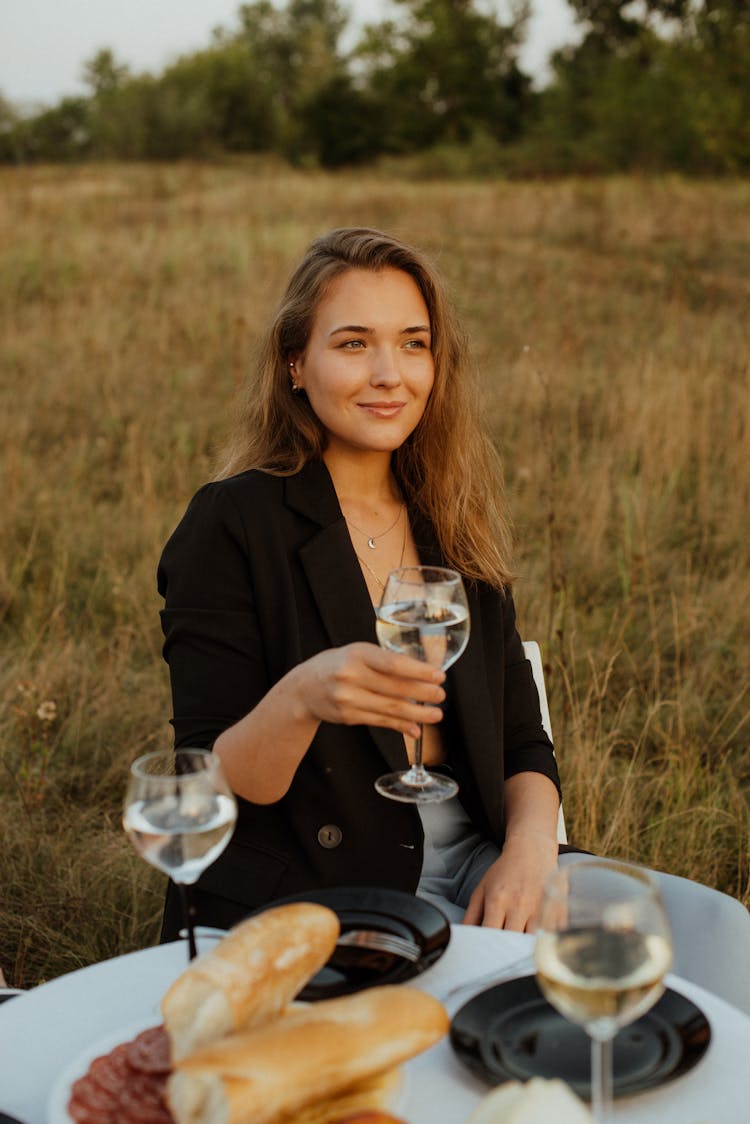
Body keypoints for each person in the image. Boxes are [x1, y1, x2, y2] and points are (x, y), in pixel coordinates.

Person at [157, 226, 566, 941]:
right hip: (321, 887)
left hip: (483, 861)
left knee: (714, 932)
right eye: (353, 344)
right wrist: (305, 695)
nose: (390, 374)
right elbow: (211, 783)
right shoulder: (232, 522)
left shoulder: (451, 516)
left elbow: (526, 745)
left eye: (413, 342)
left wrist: (530, 853)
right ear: (294, 363)